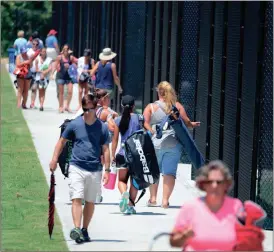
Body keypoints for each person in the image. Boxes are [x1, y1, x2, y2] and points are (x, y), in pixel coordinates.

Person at [49, 93, 111, 243]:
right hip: (76, 166)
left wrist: (107, 170)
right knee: (76, 198)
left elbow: (106, 149)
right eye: (84, 109)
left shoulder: (102, 128)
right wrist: (54, 159)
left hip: (95, 169)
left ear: (95, 108)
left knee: (90, 201)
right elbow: (61, 142)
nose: (86, 112)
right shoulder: (75, 124)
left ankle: (84, 229)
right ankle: (76, 228)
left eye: (88, 109)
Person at [143, 81, 200, 208]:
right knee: (169, 172)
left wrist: (152, 131)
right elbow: (186, 122)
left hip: (155, 144)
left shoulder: (151, 107)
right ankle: (165, 201)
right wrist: (193, 124)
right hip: (173, 143)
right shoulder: (177, 106)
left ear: (159, 92)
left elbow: (145, 123)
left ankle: (152, 199)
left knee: (154, 170)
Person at [169, 160, 244, 251]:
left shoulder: (236, 206)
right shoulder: (191, 206)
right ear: (203, 184)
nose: (214, 185)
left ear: (226, 184)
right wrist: (185, 235)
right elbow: (173, 242)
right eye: (209, 182)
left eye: (219, 182)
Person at [114, 95, 149, 215]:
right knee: (135, 181)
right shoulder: (140, 118)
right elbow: (146, 134)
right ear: (134, 106)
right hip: (137, 155)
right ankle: (130, 206)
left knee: (121, 180)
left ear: (122, 106)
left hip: (123, 153)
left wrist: (113, 155)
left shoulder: (118, 120)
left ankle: (124, 193)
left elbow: (114, 140)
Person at [55, 44, 78, 113]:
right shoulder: (59, 57)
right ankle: (61, 107)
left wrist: (70, 66)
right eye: (64, 49)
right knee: (61, 93)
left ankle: (67, 106)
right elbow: (56, 66)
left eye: (67, 49)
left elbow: (76, 65)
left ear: (68, 50)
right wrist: (58, 67)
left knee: (70, 92)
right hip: (61, 76)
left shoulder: (71, 58)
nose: (65, 50)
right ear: (63, 50)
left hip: (69, 77)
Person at [27, 38, 41, 109]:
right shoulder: (29, 52)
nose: (35, 45)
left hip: (36, 73)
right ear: (31, 44)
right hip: (29, 72)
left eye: (37, 44)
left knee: (34, 88)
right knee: (26, 89)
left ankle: (32, 103)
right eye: (34, 44)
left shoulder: (39, 53)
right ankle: (24, 102)